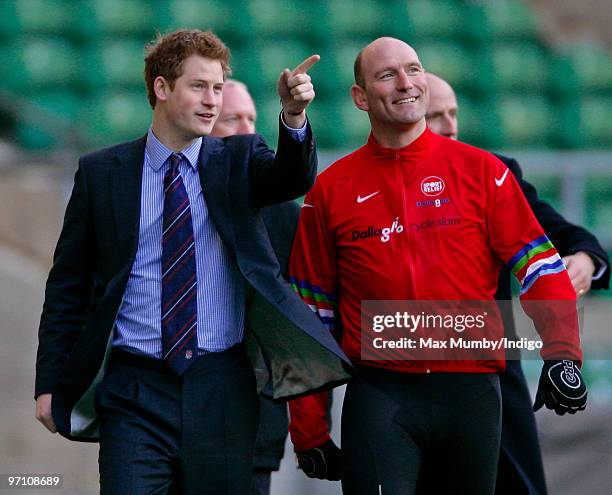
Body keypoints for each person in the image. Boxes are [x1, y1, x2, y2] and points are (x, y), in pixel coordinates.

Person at [34, 29, 350, 495]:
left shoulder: (239, 158)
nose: (212, 101)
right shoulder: (103, 173)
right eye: (198, 86)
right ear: (162, 88)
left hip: (221, 384)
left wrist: (294, 114)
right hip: (135, 387)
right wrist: (48, 381)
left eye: (218, 88)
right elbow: (68, 285)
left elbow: (291, 176)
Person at [287, 37, 588, 494]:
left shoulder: (485, 172)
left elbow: (541, 268)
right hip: (382, 395)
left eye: (414, 69)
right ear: (360, 97)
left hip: (471, 397)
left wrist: (562, 353)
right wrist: (309, 428)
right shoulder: (330, 191)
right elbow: (310, 316)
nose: (406, 83)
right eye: (387, 74)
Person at [424, 72, 610, 495]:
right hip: (404, 379)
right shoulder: (371, 185)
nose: (450, 125)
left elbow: (570, 236)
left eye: (453, 113)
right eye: (436, 115)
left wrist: (584, 260)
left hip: (493, 381)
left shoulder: (493, 173)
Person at [210, 79, 296, 495]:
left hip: (255, 422)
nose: (248, 132)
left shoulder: (283, 212)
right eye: (232, 120)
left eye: (252, 119)